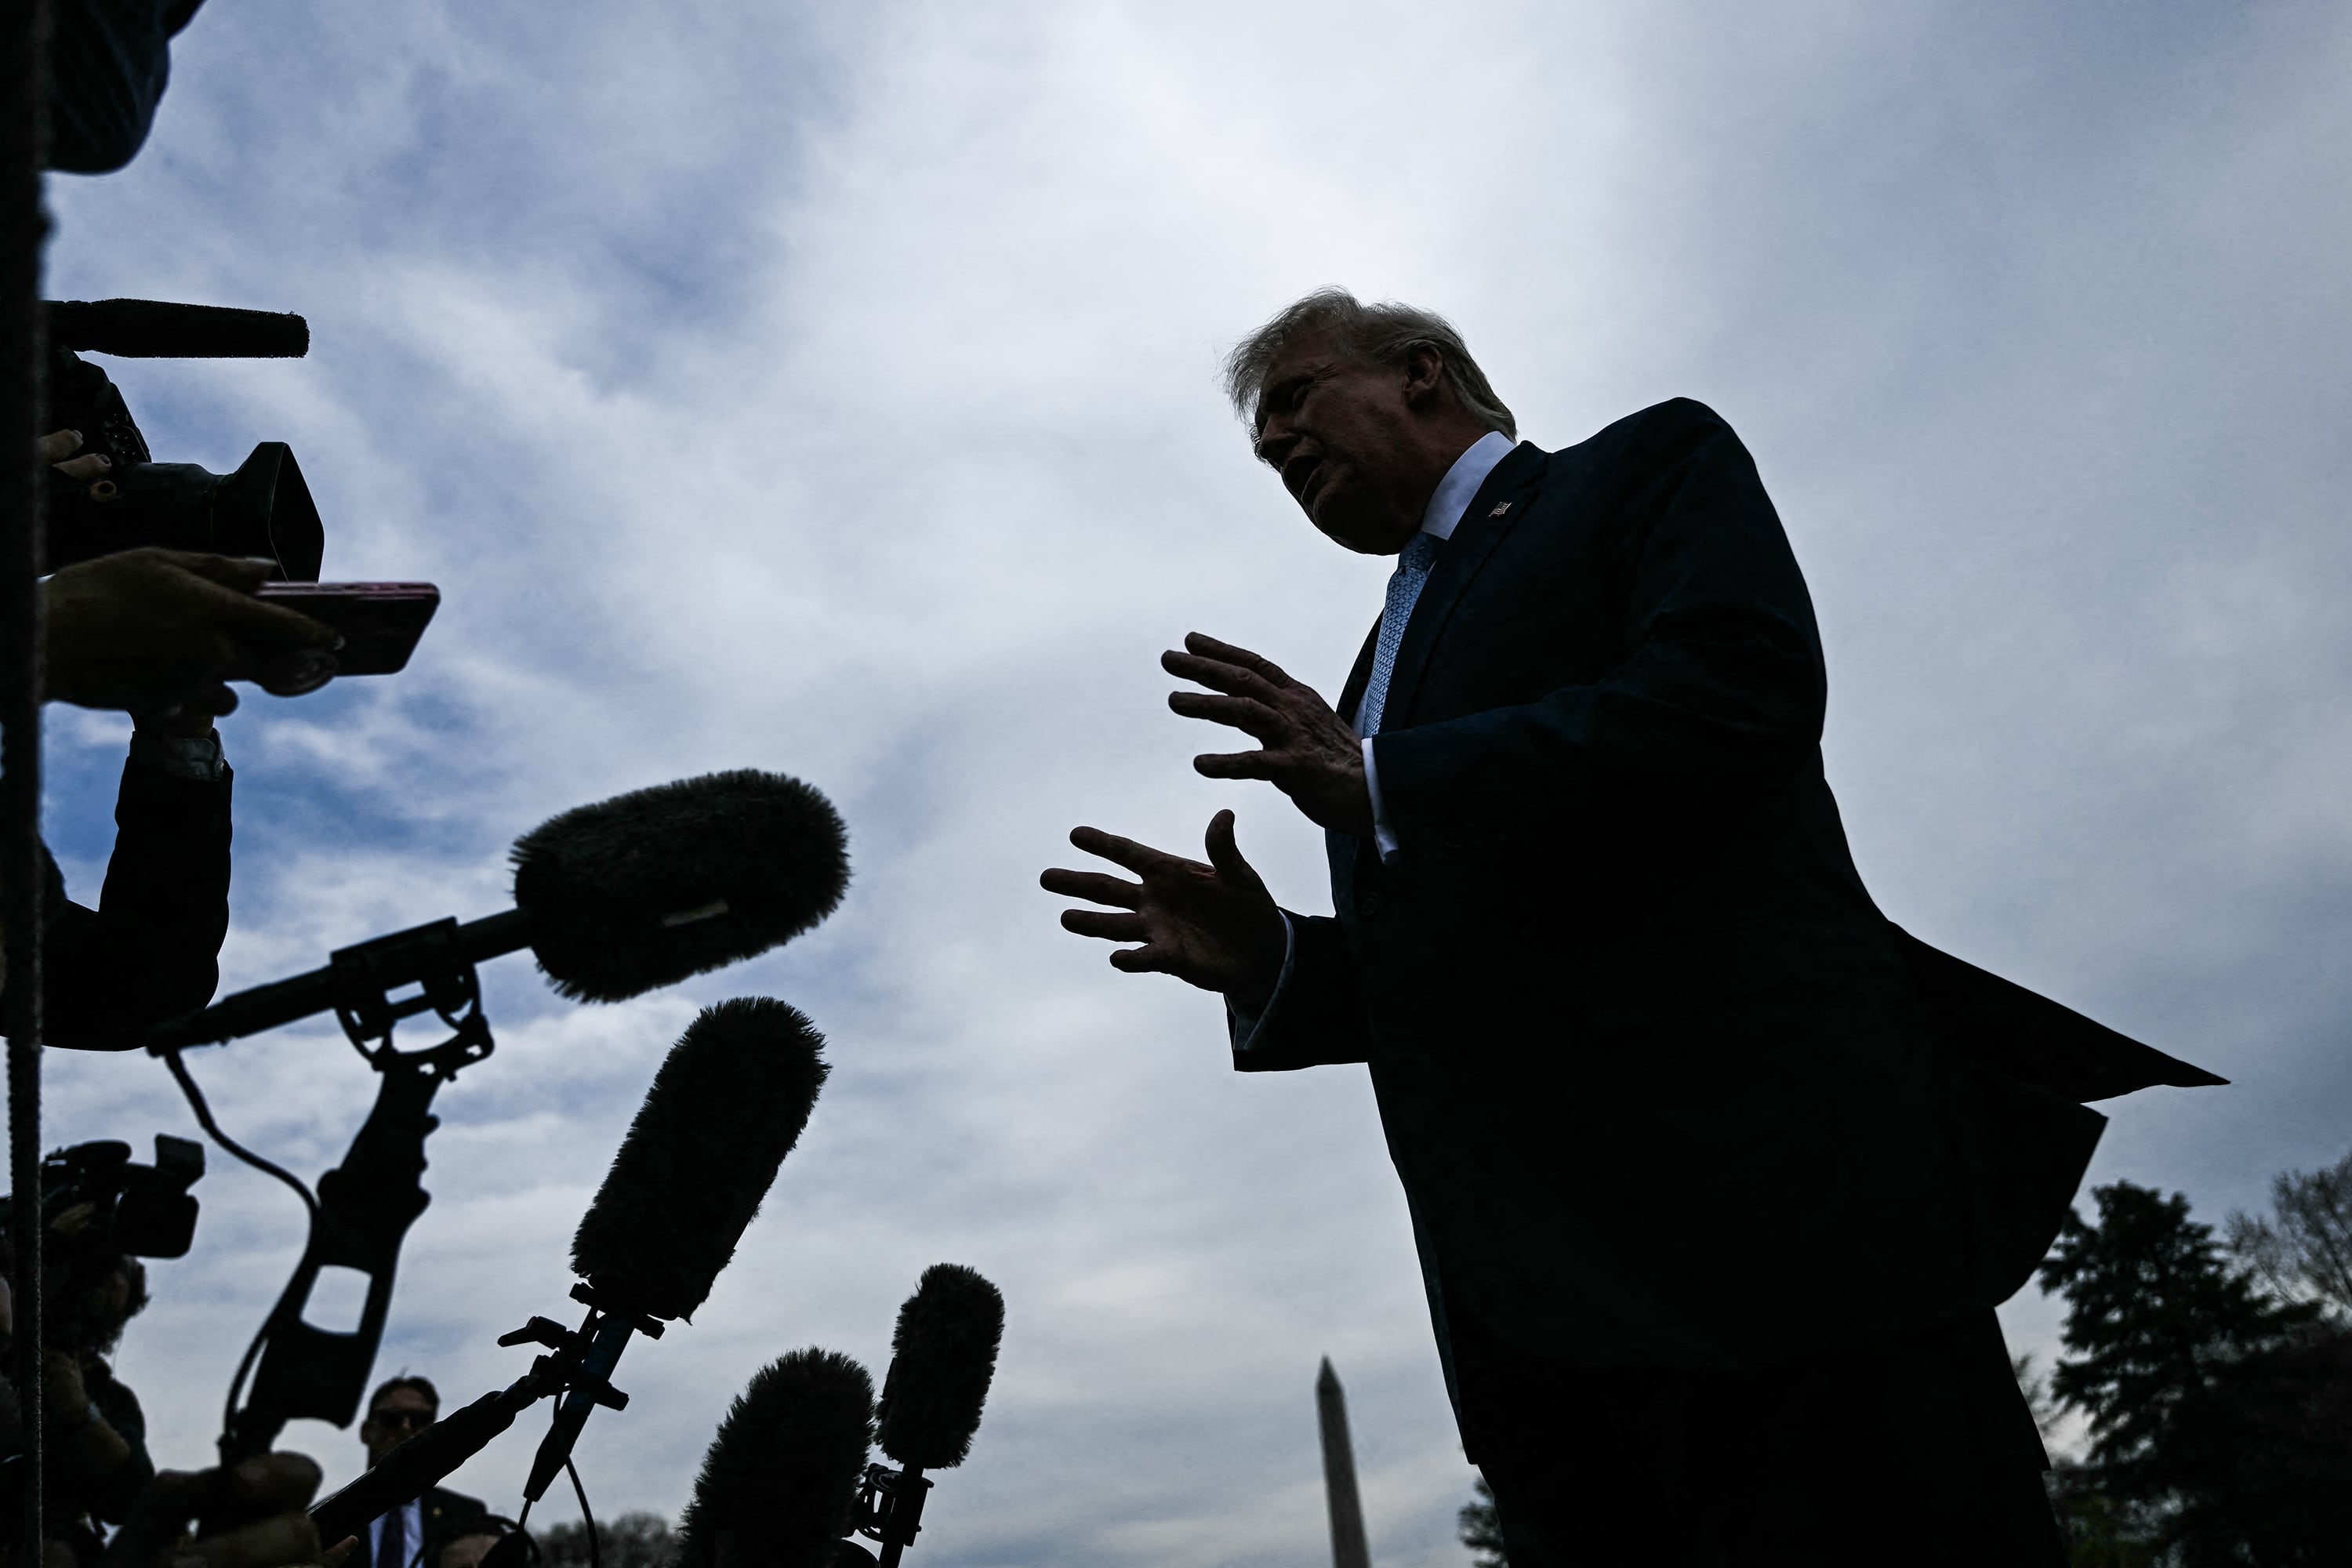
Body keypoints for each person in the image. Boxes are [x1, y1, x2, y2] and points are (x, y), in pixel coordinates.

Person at [1041, 289, 2223, 1564]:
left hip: (1776, 1252)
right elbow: (1461, 966)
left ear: (1422, 374)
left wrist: (1388, 779)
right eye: (1264, 455)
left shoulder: (1639, 471)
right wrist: (1279, 960)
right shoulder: (1369, 672)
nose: (1278, 450)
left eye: (1294, 401)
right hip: (1542, 1343)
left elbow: (1734, 698)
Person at [349, 1379, 482, 1568]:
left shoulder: (464, 1516)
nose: (406, 1428)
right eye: (391, 1419)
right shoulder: (329, 1516)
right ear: (366, 1431)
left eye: (420, 1420)